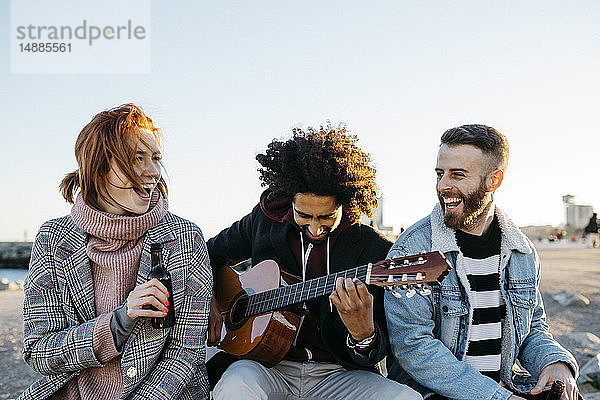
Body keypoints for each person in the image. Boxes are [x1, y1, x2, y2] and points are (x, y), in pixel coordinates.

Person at [207, 124, 421, 399]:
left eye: (326, 217)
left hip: (339, 372)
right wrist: (210, 298)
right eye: (304, 215)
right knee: (234, 388)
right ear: (289, 200)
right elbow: (205, 253)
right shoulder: (264, 221)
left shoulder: (374, 250)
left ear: (347, 203)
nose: (315, 227)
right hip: (265, 366)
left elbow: (379, 350)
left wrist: (364, 334)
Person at [20, 104, 212, 400]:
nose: (152, 172)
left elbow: (187, 353)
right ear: (98, 166)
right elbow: (39, 353)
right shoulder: (53, 238)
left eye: (156, 159)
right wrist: (118, 322)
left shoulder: (184, 238)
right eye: (137, 159)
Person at [385, 125, 580, 400]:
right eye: (440, 174)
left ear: (494, 181)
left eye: (457, 175)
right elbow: (412, 345)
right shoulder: (411, 249)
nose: (443, 186)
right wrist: (495, 397)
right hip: (433, 393)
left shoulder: (521, 253)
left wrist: (554, 362)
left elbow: (532, 328)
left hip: (506, 387)